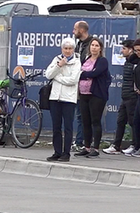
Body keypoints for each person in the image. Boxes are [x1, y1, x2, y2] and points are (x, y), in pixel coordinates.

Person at [44, 37, 82, 162]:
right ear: (62, 49)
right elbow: (48, 74)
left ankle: (66, 153)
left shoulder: (76, 62)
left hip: (69, 98)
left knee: (68, 127)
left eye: (70, 48)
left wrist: (58, 78)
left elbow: (73, 80)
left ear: (73, 49)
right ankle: (57, 152)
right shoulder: (57, 59)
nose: (67, 51)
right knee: (56, 126)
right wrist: (58, 66)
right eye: (65, 48)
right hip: (55, 97)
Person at [74, 37, 111, 158]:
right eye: (92, 45)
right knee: (86, 121)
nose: (94, 47)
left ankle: (95, 148)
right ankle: (87, 147)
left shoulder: (102, 61)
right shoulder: (86, 59)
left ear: (100, 48)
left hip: (96, 95)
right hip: (83, 94)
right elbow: (80, 73)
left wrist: (83, 74)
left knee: (95, 121)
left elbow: (95, 73)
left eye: (96, 45)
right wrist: (84, 75)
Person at [104, 39, 138, 155]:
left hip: (132, 96)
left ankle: (135, 145)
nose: (122, 51)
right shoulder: (127, 62)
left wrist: (134, 93)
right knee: (120, 121)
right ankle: (116, 145)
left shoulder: (135, 63)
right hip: (125, 96)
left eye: (124, 49)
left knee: (133, 121)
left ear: (131, 50)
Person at [72, 20, 92, 151]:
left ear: (82, 30)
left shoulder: (92, 44)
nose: (73, 32)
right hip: (78, 85)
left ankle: (84, 142)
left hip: (89, 86)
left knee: (86, 115)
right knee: (79, 114)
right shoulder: (79, 44)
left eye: (75, 29)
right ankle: (79, 141)